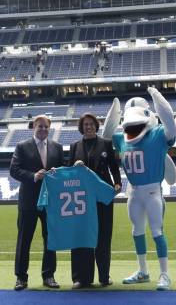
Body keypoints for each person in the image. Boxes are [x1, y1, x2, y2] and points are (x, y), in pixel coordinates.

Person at [104, 87, 176, 291]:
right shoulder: (121, 139)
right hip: (133, 191)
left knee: (156, 231)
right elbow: (106, 138)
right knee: (136, 231)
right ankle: (143, 271)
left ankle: (165, 274)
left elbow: (171, 125)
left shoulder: (157, 134)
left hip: (153, 191)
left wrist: (157, 97)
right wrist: (115, 113)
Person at [10, 114, 64, 291]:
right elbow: (14, 170)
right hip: (28, 202)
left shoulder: (57, 147)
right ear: (34, 127)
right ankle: (21, 278)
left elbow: (63, 170)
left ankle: (48, 275)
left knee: (50, 240)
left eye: (46, 127)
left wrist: (58, 172)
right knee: (24, 240)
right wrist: (33, 176)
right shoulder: (22, 146)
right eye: (40, 126)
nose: (43, 130)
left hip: (50, 202)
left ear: (50, 128)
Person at [68, 113, 122, 289]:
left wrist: (117, 183)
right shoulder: (74, 146)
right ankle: (80, 278)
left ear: (96, 126)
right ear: (81, 127)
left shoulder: (106, 143)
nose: (88, 127)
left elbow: (114, 168)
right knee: (80, 236)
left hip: (102, 196)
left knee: (103, 236)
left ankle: (104, 277)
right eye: (85, 124)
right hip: (81, 198)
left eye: (91, 124)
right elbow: (68, 173)